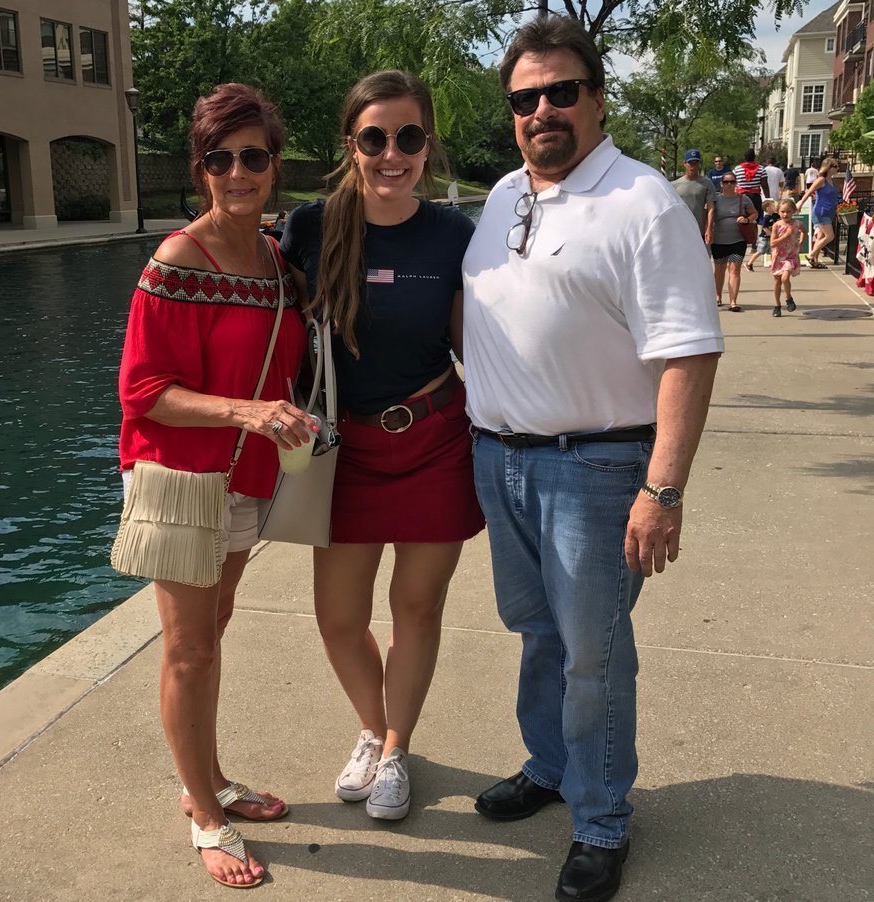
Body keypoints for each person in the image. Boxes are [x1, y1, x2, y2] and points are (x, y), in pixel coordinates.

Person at [462, 16, 723, 902]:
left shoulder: (643, 202)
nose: (541, 110)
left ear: (598, 99)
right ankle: (550, 764)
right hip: (501, 460)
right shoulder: (506, 194)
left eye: (561, 92)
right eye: (524, 99)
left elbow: (689, 353)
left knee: (593, 654)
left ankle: (603, 817)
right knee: (537, 632)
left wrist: (663, 489)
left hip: (596, 469)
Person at [116, 83, 316, 889]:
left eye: (253, 157)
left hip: (246, 476)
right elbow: (143, 391)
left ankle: (210, 776)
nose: (238, 173)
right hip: (181, 479)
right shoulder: (177, 261)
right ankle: (204, 812)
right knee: (190, 650)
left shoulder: (275, 260)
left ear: (274, 164)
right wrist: (248, 411)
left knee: (213, 632)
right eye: (220, 158)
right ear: (200, 169)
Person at [280, 70, 485, 822]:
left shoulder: (454, 235)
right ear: (351, 145)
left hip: (434, 439)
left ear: (427, 146)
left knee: (415, 609)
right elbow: (266, 323)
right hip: (346, 454)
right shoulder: (310, 228)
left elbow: (478, 344)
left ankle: (397, 748)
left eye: (408, 137)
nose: (391, 153)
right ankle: (371, 727)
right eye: (375, 138)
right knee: (339, 617)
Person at [711, 173, 757, 311]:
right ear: (721, 184)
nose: (729, 184)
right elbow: (709, 215)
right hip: (718, 240)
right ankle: (718, 296)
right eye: (726, 182)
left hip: (738, 240)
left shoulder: (743, 198)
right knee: (719, 269)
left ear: (736, 183)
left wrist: (747, 219)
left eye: (732, 181)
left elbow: (754, 213)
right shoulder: (716, 199)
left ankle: (733, 302)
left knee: (735, 268)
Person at [797, 157, 839, 269]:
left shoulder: (832, 181)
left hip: (829, 212)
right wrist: (800, 204)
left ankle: (814, 261)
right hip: (821, 211)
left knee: (820, 236)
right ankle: (811, 255)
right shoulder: (821, 180)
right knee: (830, 236)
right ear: (828, 167)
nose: (837, 168)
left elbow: (833, 198)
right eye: (835, 166)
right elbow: (809, 192)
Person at [672, 149, 716, 250]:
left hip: (699, 230)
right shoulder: (674, 185)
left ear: (699, 164)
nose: (693, 166)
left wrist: (709, 228)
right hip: (680, 230)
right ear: (684, 163)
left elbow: (711, 208)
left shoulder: (707, 183)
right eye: (690, 163)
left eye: (696, 163)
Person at [770, 198, 803, 316]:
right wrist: (786, 235)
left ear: (793, 211)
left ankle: (788, 298)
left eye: (788, 211)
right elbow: (772, 243)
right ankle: (777, 305)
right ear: (778, 211)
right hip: (778, 255)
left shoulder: (797, 224)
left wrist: (801, 242)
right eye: (782, 212)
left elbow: (804, 231)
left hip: (790, 256)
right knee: (777, 281)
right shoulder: (777, 225)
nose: (785, 214)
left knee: (785, 278)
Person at [744, 198, 778, 272]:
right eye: (773, 206)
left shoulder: (776, 215)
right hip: (764, 238)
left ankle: (774, 265)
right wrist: (772, 235)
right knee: (760, 251)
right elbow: (765, 228)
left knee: (773, 252)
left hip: (771, 238)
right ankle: (749, 263)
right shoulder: (767, 217)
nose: (775, 207)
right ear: (768, 208)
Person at [733, 148, 768, 218]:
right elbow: (764, 185)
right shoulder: (761, 169)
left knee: (741, 218)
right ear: (754, 157)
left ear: (744, 157)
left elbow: (733, 183)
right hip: (755, 197)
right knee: (755, 217)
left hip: (740, 197)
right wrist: (768, 198)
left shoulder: (737, 169)